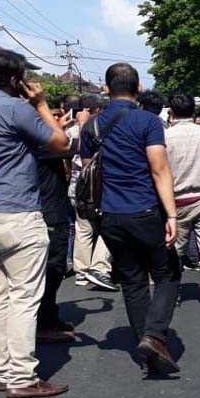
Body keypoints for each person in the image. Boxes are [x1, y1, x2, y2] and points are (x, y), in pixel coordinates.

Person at [81, 63, 181, 377]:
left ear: (107, 89)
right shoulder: (148, 122)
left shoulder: (92, 127)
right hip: (145, 211)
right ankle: (153, 335)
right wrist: (173, 215)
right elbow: (159, 169)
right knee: (168, 274)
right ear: (138, 89)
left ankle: (147, 352)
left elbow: (89, 171)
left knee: (133, 282)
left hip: (110, 215)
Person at [0, 50, 71, 398]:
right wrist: (40, 103)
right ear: (13, 80)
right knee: (24, 296)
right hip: (18, 211)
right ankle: (22, 376)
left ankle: (5, 372)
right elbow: (61, 143)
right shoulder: (15, 108)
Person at [165, 93, 200, 316]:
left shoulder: (165, 136)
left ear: (172, 112)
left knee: (174, 252)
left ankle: (173, 294)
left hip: (176, 201)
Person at [35, 97, 86, 343]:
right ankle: (44, 324)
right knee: (53, 269)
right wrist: (83, 124)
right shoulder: (41, 142)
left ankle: (48, 318)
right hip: (49, 212)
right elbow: (78, 145)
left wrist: (61, 125)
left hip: (48, 208)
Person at [71, 93, 117, 290]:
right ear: (97, 109)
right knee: (109, 226)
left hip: (81, 186)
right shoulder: (100, 127)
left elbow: (84, 163)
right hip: (103, 187)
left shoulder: (74, 129)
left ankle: (80, 271)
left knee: (83, 229)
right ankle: (99, 267)